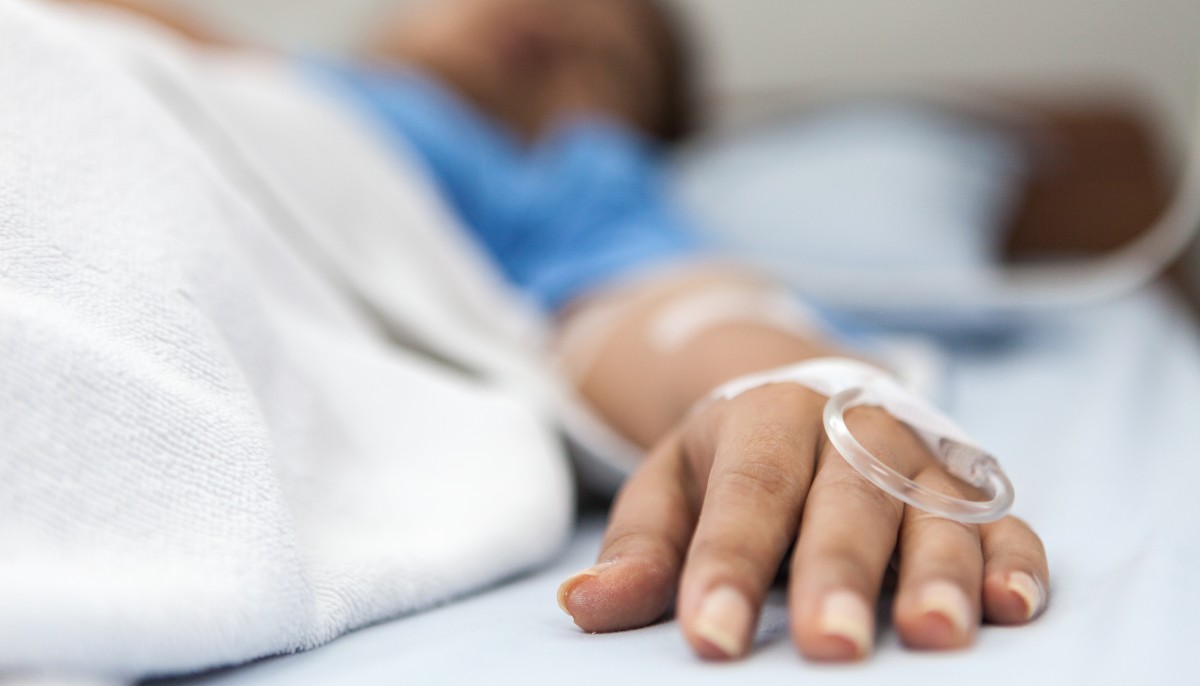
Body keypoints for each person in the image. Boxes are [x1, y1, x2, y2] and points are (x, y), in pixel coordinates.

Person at [56, 0, 1049, 663]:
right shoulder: (228, 63)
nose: (550, 13)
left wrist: (809, 393)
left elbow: (671, 308)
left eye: (601, 53)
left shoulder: (564, 178)